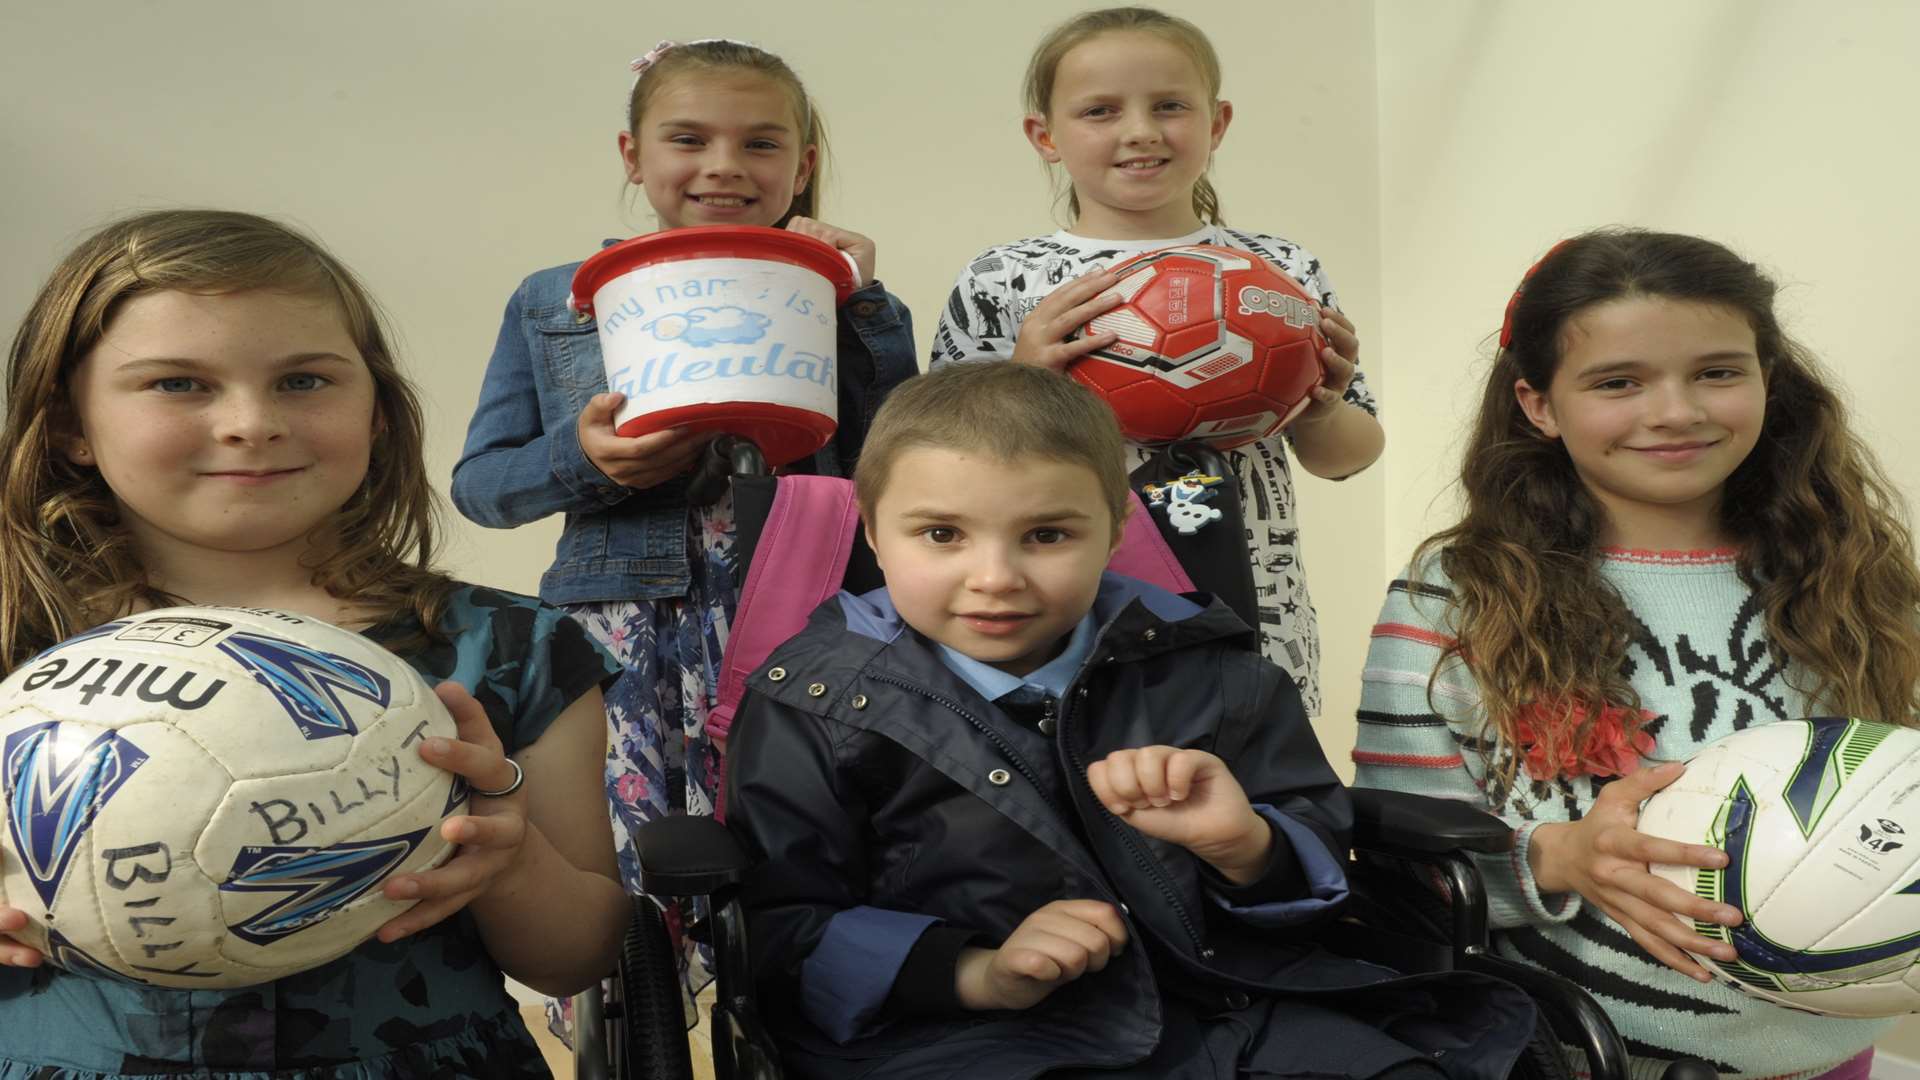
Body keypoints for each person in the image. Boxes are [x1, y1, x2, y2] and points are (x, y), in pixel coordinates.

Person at [723, 361, 1532, 1080]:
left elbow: (1316, 846)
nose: (994, 577)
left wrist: (1246, 845)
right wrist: (978, 972)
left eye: (1046, 535)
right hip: (958, 1032)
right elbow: (785, 926)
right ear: (873, 534)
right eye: (942, 535)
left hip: (1228, 998)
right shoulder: (813, 702)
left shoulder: (1219, 674)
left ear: (1113, 533)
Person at [0, 209, 628, 1077]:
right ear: (69, 419)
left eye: (303, 381)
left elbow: (579, 956)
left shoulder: (512, 649)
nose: (251, 422)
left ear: (377, 413)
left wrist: (511, 863)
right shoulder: (16, 643)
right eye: (178, 383)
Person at [1353, 228, 1920, 1080]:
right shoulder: (1459, 590)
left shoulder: (1850, 571)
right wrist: (1561, 855)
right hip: (1579, 1055)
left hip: (1831, 1052)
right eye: (1619, 382)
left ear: (1770, 377)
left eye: (1718, 372)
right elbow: (1401, 857)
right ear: (1538, 405)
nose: (1676, 412)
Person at [450, 37, 917, 1017]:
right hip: (618, 626)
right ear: (632, 155)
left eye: (760, 144)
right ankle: (635, 1033)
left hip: (802, 612)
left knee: (806, 852)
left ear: (803, 164)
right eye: (688, 139)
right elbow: (484, 486)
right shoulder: (553, 301)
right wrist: (588, 462)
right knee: (620, 872)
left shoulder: (851, 297)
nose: (722, 166)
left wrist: (861, 306)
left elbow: (908, 469)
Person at [930, 6, 1383, 717]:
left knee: (1243, 787)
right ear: (1044, 135)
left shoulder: (1278, 271)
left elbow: (1347, 455)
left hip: (1251, 598)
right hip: (1060, 601)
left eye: (1170, 105)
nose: (1140, 131)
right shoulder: (1003, 278)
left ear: (1218, 123)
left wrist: (1323, 402)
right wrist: (1025, 380)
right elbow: (943, 466)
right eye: (1100, 110)